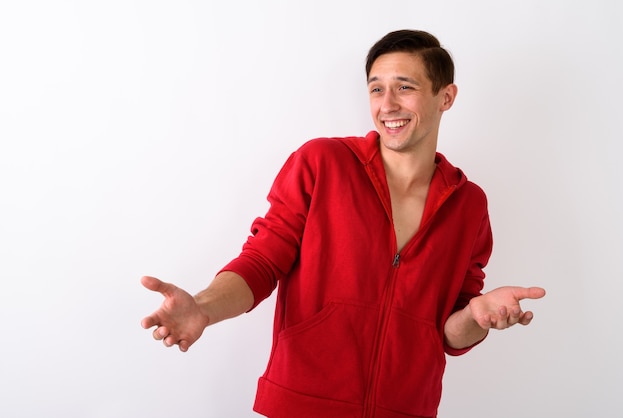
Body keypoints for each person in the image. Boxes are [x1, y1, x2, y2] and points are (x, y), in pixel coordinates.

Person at [141, 29, 546, 418]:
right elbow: (263, 260)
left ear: (446, 97)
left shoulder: (468, 204)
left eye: (405, 87)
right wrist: (204, 308)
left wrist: (477, 316)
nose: (387, 104)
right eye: (376, 88)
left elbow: (448, 334)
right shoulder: (322, 164)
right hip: (302, 403)